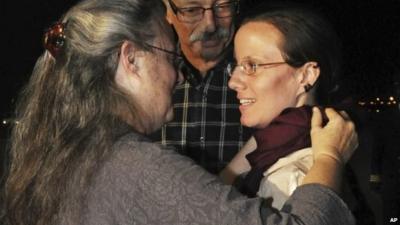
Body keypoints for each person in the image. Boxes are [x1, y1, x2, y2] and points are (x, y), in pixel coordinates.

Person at [2, 0, 358, 224]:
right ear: (131, 60)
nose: (177, 72)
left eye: (252, 66)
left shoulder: (64, 151)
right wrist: (329, 156)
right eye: (171, 56)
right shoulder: (135, 166)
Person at [220, 3, 350, 209]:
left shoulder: (291, 180)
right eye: (236, 65)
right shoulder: (275, 145)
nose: (233, 82)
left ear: (306, 76)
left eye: (252, 66)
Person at [150, 0, 253, 174]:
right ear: (168, 11)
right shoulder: (147, 77)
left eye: (222, 6)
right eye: (192, 10)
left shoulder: (261, 77)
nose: (210, 25)